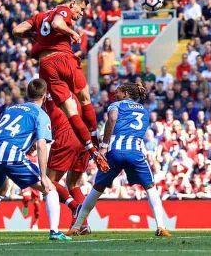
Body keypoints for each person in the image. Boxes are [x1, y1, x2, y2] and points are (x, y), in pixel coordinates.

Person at [13, 0, 109, 173]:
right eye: (80, 10)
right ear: (72, 3)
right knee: (85, 99)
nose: (80, 14)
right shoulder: (63, 10)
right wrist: (71, 32)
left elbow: (16, 30)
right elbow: (57, 23)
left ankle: (91, 149)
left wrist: (33, 36)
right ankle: (95, 140)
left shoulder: (39, 16)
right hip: (63, 59)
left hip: (46, 67)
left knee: (70, 110)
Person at [0, 79, 70, 241]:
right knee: (49, 188)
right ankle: (55, 232)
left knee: (1, 190)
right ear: (44, 96)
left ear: (27, 94)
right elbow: (41, 145)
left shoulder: (11, 109)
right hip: (10, 153)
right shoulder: (40, 114)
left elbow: (0, 135)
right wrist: (44, 175)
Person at [68, 82, 171, 237]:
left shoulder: (116, 105)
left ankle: (76, 226)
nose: (115, 94)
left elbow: (113, 118)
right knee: (150, 188)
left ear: (126, 94)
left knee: (97, 189)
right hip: (135, 152)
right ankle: (161, 226)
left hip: (114, 152)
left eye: (118, 92)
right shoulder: (145, 110)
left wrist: (103, 145)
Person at [45, 94, 91, 235]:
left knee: (47, 182)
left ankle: (75, 207)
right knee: (73, 185)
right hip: (83, 135)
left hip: (66, 136)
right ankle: (82, 225)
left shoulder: (51, 90)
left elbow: (49, 118)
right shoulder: (76, 91)